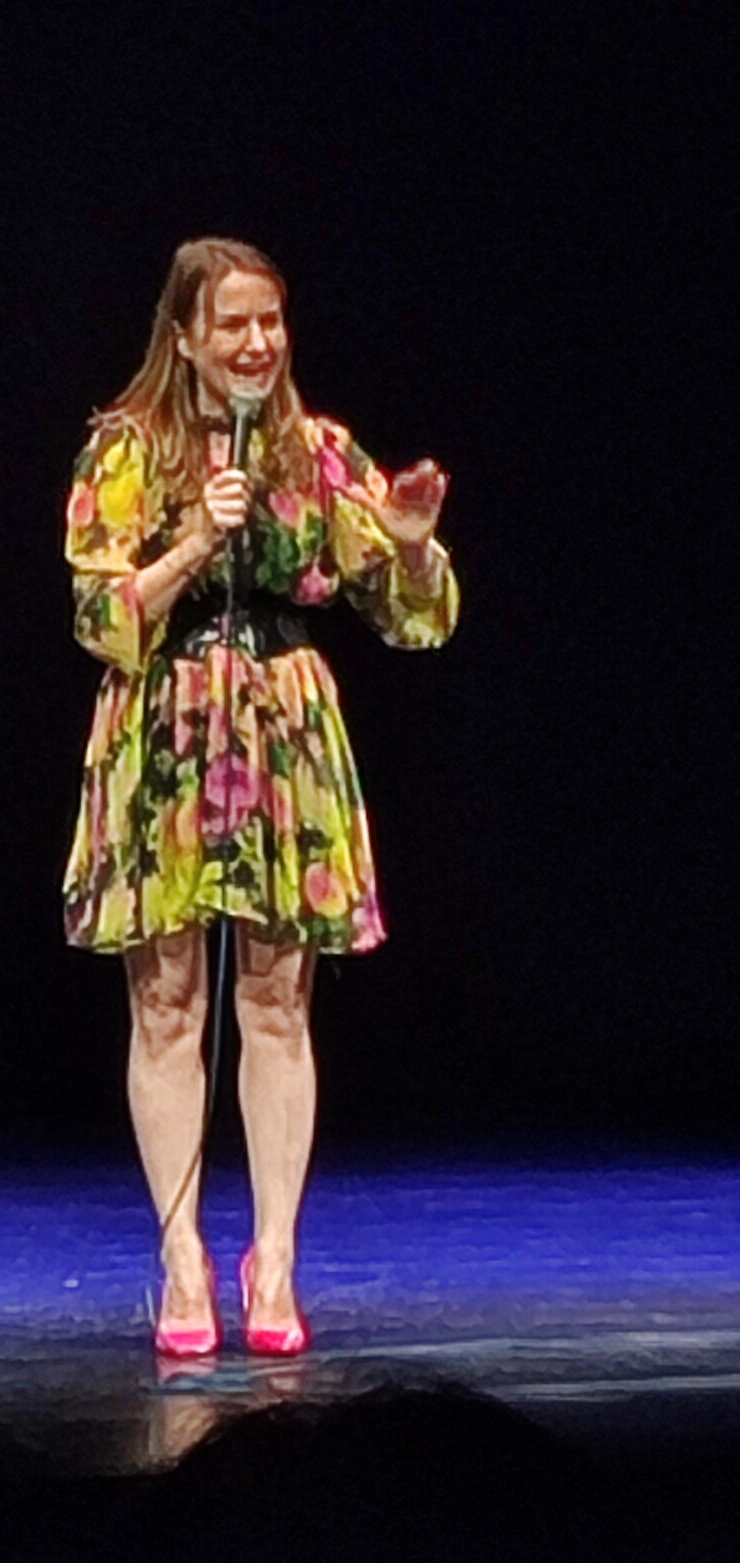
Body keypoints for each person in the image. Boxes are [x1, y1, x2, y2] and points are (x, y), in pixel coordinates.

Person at [63, 237, 458, 1355]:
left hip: (283, 731)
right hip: (167, 731)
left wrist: (412, 549)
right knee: (168, 1002)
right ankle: (183, 1255)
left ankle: (274, 1256)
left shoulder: (316, 453)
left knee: (278, 1002)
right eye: (231, 323)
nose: (255, 343)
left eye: (269, 321)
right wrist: (195, 539)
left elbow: (414, 617)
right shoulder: (126, 448)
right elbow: (96, 616)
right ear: (185, 336)